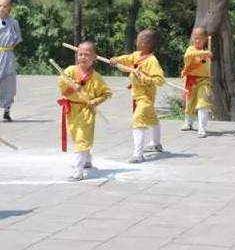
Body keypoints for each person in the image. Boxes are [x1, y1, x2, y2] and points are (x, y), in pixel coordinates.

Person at [57, 41, 112, 181]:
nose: (83, 57)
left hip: (86, 110)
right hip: (71, 109)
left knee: (82, 137)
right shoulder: (70, 70)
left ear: (94, 57)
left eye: (87, 55)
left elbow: (107, 93)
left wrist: (95, 101)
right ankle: (87, 159)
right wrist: (72, 84)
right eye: (80, 54)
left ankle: (78, 171)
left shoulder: (96, 77)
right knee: (77, 136)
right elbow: (62, 80)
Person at [110, 29, 165, 163]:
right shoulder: (136, 55)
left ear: (145, 43)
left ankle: (138, 155)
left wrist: (145, 78)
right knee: (152, 118)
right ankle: (156, 144)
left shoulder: (152, 61)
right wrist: (117, 60)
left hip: (146, 97)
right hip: (138, 96)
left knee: (138, 120)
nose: (136, 42)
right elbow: (126, 59)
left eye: (138, 40)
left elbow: (160, 80)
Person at [180, 26, 213, 138]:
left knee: (202, 102)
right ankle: (188, 122)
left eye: (200, 38)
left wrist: (208, 55)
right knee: (189, 103)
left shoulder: (207, 52)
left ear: (205, 39)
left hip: (204, 81)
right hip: (191, 81)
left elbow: (208, 61)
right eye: (195, 37)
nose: (197, 40)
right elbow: (188, 56)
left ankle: (202, 128)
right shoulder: (190, 49)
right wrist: (202, 52)